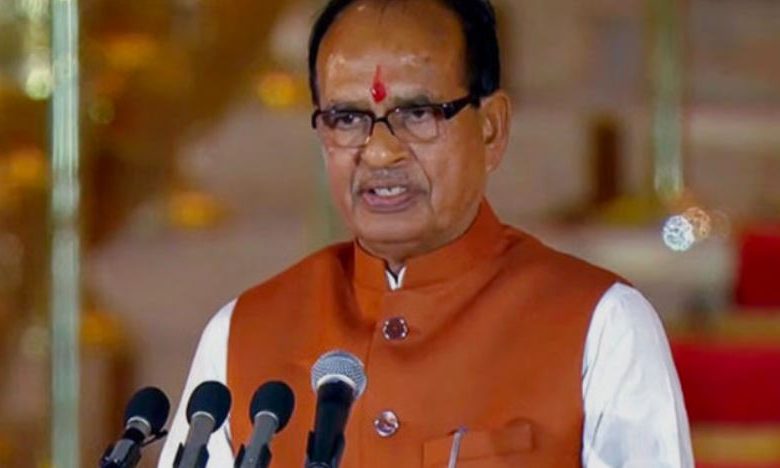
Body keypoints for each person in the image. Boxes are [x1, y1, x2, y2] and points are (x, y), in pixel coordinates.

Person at [159, 0, 693, 466]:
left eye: (417, 114)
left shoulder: (600, 326)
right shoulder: (242, 334)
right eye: (347, 118)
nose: (379, 151)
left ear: (491, 128)